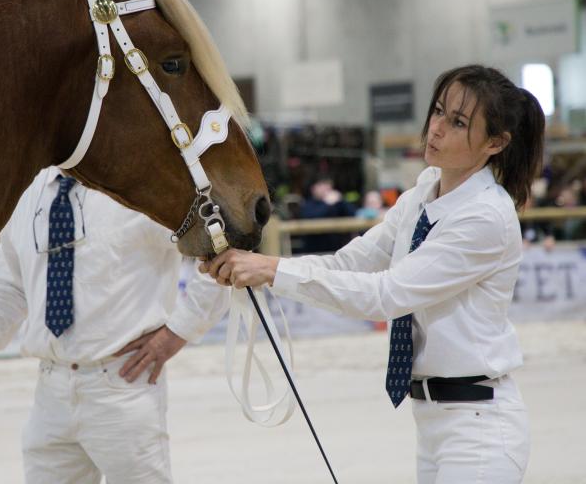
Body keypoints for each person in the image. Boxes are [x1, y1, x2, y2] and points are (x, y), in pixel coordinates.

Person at [202, 64, 545, 484]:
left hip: (479, 428)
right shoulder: (423, 192)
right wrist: (261, 267)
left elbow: (386, 295)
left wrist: (271, 270)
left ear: (496, 142)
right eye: (439, 111)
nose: (436, 128)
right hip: (433, 422)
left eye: (458, 122)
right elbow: (347, 263)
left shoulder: (486, 216)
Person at [0, 166, 229, 484]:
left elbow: (218, 254)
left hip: (123, 383)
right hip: (50, 391)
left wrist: (178, 332)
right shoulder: (27, 190)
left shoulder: (141, 183)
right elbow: (9, 288)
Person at [297, 176, 356, 253]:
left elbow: (353, 214)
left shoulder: (336, 203)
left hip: (336, 251)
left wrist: (341, 200)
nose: (326, 188)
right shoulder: (307, 205)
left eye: (328, 184)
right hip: (314, 252)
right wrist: (327, 204)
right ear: (313, 188)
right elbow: (312, 217)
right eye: (322, 185)